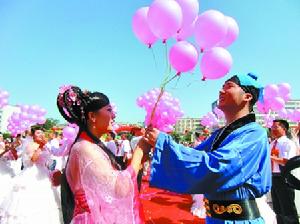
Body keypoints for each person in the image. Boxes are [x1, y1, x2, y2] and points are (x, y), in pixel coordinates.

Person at [143, 73, 272, 224]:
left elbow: (219, 166)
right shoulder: (219, 134)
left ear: (247, 97)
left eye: (229, 86)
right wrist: (157, 142)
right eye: (222, 87)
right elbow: (194, 156)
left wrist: (163, 143)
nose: (221, 91)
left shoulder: (254, 133)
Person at [57, 86, 149, 224]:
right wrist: (139, 151)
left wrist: (141, 157)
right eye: (109, 110)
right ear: (92, 116)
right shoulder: (84, 148)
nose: (114, 115)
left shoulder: (91, 145)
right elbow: (121, 189)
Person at [0, 125, 62, 224]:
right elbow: (32, 160)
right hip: (33, 173)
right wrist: (40, 147)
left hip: (44, 173)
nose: (40, 134)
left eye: (41, 132)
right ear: (33, 135)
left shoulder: (45, 145)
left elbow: (49, 159)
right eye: (38, 133)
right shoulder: (31, 145)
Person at [270, 119, 299, 224]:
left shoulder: (288, 143)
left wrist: (270, 157)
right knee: (278, 209)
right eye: (272, 127)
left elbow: (288, 162)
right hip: (273, 178)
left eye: (275, 127)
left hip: (284, 178)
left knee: (288, 209)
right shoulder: (272, 143)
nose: (272, 129)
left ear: (284, 129)